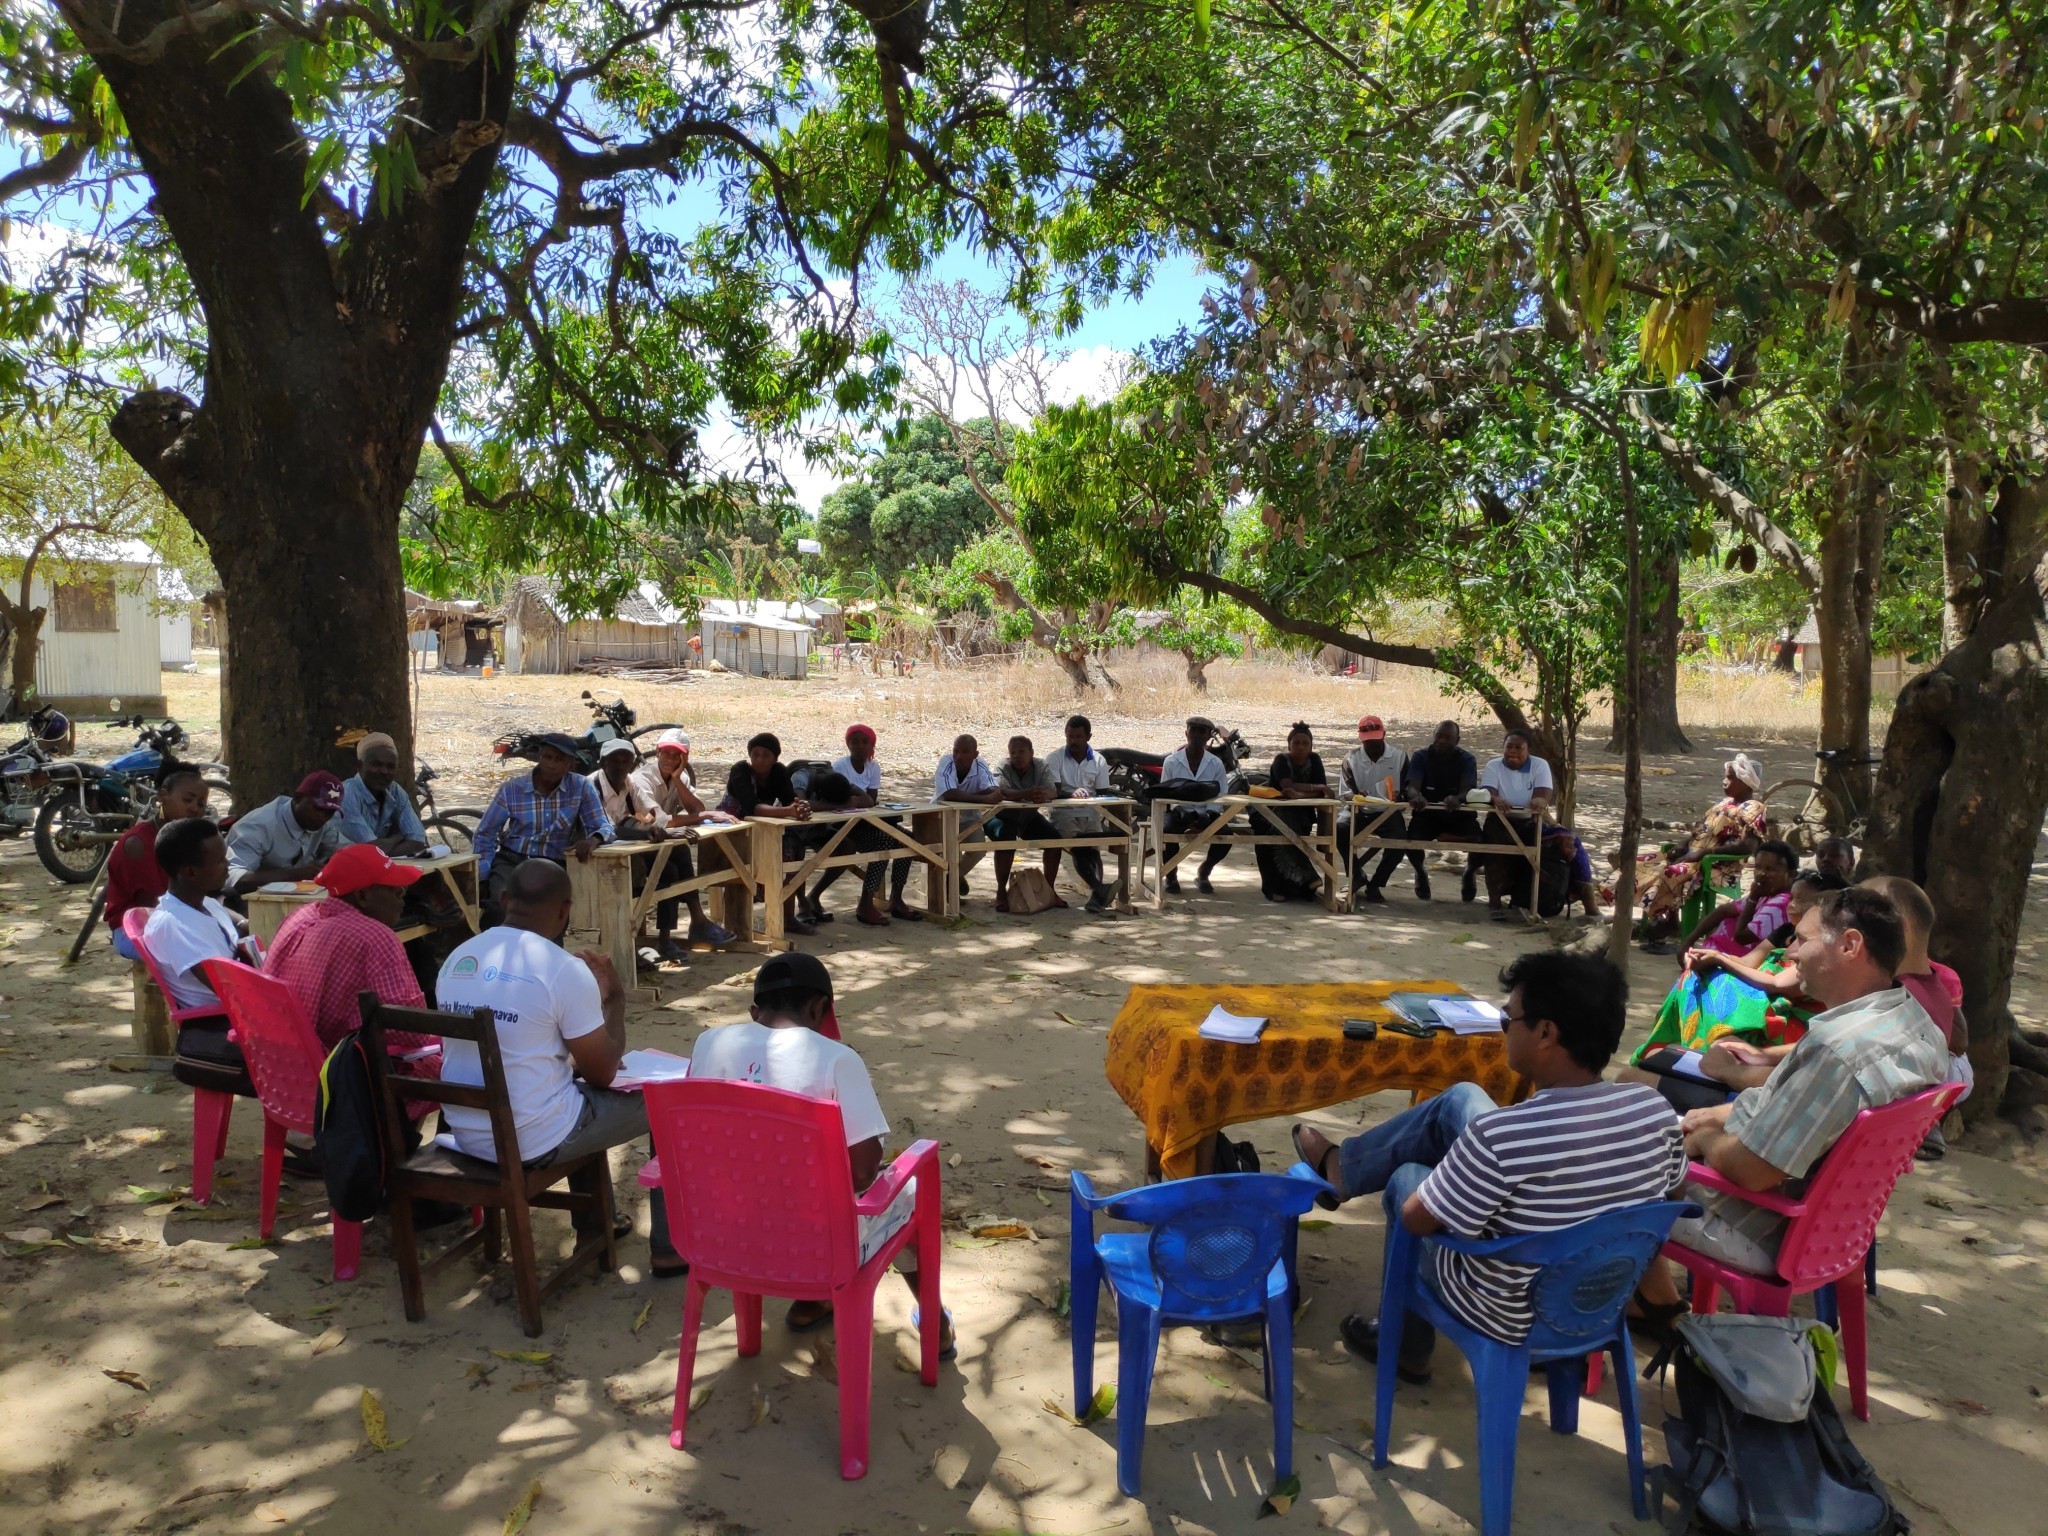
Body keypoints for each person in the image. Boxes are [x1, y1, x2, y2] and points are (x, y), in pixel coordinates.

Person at [1288, 951, 1684, 1385]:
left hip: (1509, 1310)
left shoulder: (1504, 1134)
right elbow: (1673, 1195)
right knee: (1461, 1097)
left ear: (1546, 1033)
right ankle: (1344, 1170)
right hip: (1598, 1296)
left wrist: (1453, 1177)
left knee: (1408, 1179)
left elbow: (1416, 1219)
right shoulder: (1655, 1111)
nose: (1502, 1029)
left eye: (1507, 1019)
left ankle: (1404, 1343)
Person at [1635, 887, 1948, 1312]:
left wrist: (1704, 1137)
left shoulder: (1837, 1050)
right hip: (1839, 1230)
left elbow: (1752, 1171)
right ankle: (1647, 1300)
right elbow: (1786, 1107)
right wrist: (1717, 1116)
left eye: (1802, 939)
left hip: (1762, 1226)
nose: (1790, 954)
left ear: (1851, 945)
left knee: (1609, 1162)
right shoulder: (1913, 1023)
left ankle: (1649, 1307)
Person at [689, 952, 953, 1357]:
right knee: (911, 1193)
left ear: (754, 1011)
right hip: (816, 1248)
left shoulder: (709, 1043)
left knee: (766, 1173)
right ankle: (933, 1320)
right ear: (820, 1008)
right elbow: (863, 1172)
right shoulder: (835, 1059)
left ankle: (813, 1304)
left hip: (724, 1236)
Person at [434, 858, 678, 1274]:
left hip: (467, 1131)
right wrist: (614, 1001)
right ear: (565, 910)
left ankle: (596, 1223)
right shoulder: (562, 968)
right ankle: (669, 1248)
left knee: (572, 1097)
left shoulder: (459, 959)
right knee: (669, 1103)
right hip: (528, 1139)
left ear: (505, 900)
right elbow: (604, 1072)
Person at [1629, 871, 1843, 1108]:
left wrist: (1721, 961)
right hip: (1764, 1013)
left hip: (1777, 1016)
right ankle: (1677, 1048)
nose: (1793, 904)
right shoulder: (1786, 932)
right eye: (1793, 897)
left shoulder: (1819, 964)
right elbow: (1749, 960)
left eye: (1803, 900)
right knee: (1697, 978)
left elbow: (1776, 984)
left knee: (1722, 983)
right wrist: (1713, 956)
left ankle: (1700, 1049)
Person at [1860, 874, 1970, 1156]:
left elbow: (1956, 1042)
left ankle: (1925, 1124)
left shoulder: (1907, 993)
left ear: (1899, 928)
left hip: (1938, 1075)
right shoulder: (1919, 985)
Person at [471, 733, 614, 908]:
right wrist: (484, 876)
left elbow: (603, 826)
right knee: (500, 906)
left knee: (552, 912)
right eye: (547, 757)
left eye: (559, 759)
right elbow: (485, 834)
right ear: (539, 758)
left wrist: (594, 839)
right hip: (513, 860)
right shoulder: (512, 789)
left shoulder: (581, 786)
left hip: (553, 863)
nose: (551, 764)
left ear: (571, 765)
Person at [627, 728, 736, 957]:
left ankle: (678, 933)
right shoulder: (641, 779)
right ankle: (694, 922)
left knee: (676, 861)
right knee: (672, 865)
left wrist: (677, 779)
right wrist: (704, 816)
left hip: (659, 842)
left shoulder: (680, 775)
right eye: (666, 753)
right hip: (634, 841)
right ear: (657, 753)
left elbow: (696, 809)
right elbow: (661, 821)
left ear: (684, 758)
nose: (670, 759)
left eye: (676, 755)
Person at [1636, 755, 1768, 943]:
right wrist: (1682, 845)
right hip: (1694, 857)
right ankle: (1665, 919)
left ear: (1745, 783)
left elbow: (1748, 846)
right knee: (1644, 865)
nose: (1724, 781)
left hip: (1716, 866)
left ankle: (1668, 924)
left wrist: (1705, 853)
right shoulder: (1722, 804)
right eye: (1725, 776)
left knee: (1670, 873)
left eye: (1730, 778)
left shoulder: (1754, 808)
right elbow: (1699, 832)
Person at [802, 725, 922, 926]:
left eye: (865, 742)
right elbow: (843, 800)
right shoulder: (840, 767)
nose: (859, 746)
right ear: (848, 744)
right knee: (883, 843)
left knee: (907, 840)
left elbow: (870, 800)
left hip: (868, 822)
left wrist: (859, 801)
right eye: (854, 742)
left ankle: (896, 899)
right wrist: (856, 801)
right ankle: (866, 903)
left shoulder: (873, 767)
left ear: (872, 745)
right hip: (843, 826)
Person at [142, 817, 258, 1011]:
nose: (228, 864)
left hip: (240, 1006)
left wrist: (244, 924)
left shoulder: (204, 903)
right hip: (222, 1022)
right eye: (220, 860)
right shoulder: (174, 926)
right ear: (190, 872)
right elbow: (230, 989)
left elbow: (231, 920)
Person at [107, 767, 211, 959]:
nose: (195, 808)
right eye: (187, 800)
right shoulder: (138, 843)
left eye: (201, 804)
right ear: (163, 796)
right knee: (203, 951)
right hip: (134, 929)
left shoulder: (184, 837)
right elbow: (155, 902)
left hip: (177, 920)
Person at [725, 731, 818, 936]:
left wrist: (800, 807)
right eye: (755, 754)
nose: (759, 759)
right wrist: (789, 811)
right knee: (739, 868)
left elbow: (789, 799)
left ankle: (787, 917)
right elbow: (752, 807)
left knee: (796, 849)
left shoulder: (778, 772)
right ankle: (736, 926)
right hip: (734, 827)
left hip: (764, 825)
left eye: (765, 755)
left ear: (775, 757)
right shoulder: (740, 771)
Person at [223, 771, 349, 897]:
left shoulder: (323, 823)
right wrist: (293, 875)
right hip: (251, 903)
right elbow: (233, 878)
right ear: (298, 798)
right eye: (318, 808)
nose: (323, 817)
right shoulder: (257, 826)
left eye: (330, 812)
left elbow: (337, 850)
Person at [1043, 715, 1118, 914]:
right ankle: (1099, 888)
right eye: (1070, 736)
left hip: (1091, 812)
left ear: (1088, 737)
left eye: (1078, 736)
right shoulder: (1055, 758)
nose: (1073, 741)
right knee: (1078, 848)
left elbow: (1102, 793)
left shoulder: (1099, 761)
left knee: (1093, 850)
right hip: (1064, 812)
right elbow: (1052, 791)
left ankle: (1097, 893)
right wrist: (1071, 794)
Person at [1476, 730, 1554, 917]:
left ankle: (1525, 900)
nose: (1513, 751)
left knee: (1538, 852)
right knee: (1494, 850)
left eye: (1519, 747)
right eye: (1509, 747)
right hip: (1500, 818)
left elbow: (1543, 794)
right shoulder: (1494, 765)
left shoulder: (1539, 765)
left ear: (1529, 750)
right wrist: (1495, 799)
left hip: (1530, 819)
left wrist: (1539, 801)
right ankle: (1494, 901)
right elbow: (1488, 792)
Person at [1675, 839, 1797, 958]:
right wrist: (1689, 942)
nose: (1761, 874)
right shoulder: (1767, 894)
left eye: (1770, 869)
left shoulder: (1781, 903)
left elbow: (1741, 937)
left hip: (1752, 965)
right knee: (1729, 917)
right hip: (1742, 958)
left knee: (1731, 922)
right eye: (1758, 867)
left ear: (1790, 874)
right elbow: (1724, 910)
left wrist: (1753, 899)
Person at [1337, 715, 1412, 904]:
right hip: (1359, 810)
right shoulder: (1351, 759)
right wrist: (1356, 797)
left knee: (1399, 841)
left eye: (1376, 740)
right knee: (1340, 829)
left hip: (1388, 811)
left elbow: (1407, 789)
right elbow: (1344, 794)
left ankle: (1377, 883)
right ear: (1361, 739)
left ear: (1384, 735)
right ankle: (1356, 874)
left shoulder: (1399, 757)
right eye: (1368, 741)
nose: (1372, 745)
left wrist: (1402, 796)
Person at [1401, 720, 1479, 900]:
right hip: (1427, 816)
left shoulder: (1467, 760)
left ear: (1457, 740)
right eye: (1439, 736)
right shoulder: (1421, 756)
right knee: (1411, 840)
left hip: (1459, 816)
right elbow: (1412, 786)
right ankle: (1420, 872)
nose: (1442, 741)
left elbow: (1468, 790)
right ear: (1433, 736)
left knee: (1481, 841)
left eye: (1448, 738)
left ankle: (1469, 872)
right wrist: (1415, 796)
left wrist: (1458, 799)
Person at [1159, 716, 1235, 895]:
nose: (1197, 736)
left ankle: (1204, 872)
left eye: (1202, 732)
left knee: (1226, 837)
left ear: (1208, 737)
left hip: (1206, 812)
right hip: (1180, 811)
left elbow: (1221, 794)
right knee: (1167, 832)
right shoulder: (1171, 761)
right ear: (1186, 734)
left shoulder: (1215, 763)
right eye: (1193, 731)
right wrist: (1178, 808)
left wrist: (1210, 813)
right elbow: (1165, 793)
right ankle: (1171, 875)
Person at [1258, 722, 1330, 901]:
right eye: (1296, 743)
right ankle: (1300, 880)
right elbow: (1287, 787)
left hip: (1302, 813)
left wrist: (1299, 795)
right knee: (1280, 836)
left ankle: (1303, 886)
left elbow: (1323, 792)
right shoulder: (1281, 760)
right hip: (1273, 812)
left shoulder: (1315, 760)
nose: (1300, 747)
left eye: (1305, 743)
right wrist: (1313, 789)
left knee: (1296, 834)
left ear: (1311, 745)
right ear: (1289, 744)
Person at [991, 735, 1062, 912]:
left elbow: (1052, 790)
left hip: (1028, 817)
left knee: (1054, 839)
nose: (1017, 756)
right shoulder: (1002, 766)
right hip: (1000, 817)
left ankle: (1049, 890)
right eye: (1013, 752)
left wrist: (1043, 795)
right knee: (1006, 840)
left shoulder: (1041, 765)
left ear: (1031, 753)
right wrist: (1028, 793)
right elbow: (1002, 792)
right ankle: (1001, 892)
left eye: (1021, 751)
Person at [338, 733, 428, 855]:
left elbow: (418, 841)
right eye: (376, 765)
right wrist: (398, 837)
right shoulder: (346, 794)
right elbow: (372, 850)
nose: (384, 771)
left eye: (390, 767)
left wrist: (383, 846)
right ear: (359, 766)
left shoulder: (394, 790)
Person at [934, 733, 1000, 897]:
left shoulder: (981, 764)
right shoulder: (946, 762)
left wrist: (973, 796)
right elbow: (949, 794)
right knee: (945, 853)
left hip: (970, 818)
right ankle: (942, 891)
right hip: (942, 817)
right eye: (956, 751)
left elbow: (995, 791)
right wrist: (981, 797)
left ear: (975, 754)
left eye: (965, 752)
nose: (959, 756)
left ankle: (952, 879)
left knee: (978, 849)